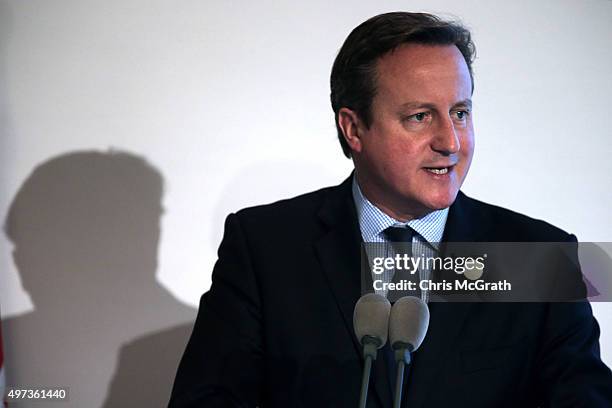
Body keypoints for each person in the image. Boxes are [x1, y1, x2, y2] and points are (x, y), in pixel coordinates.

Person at [169, 12, 612, 407]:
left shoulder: (540, 254)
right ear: (354, 128)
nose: (451, 143)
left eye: (459, 112)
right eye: (420, 116)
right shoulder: (265, 247)